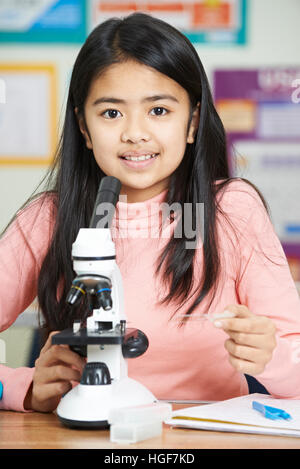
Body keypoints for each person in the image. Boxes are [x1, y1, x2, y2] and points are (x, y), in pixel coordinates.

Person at [1, 12, 300, 414]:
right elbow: (26, 388)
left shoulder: (232, 210)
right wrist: (23, 388)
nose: (135, 133)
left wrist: (272, 356)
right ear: (84, 128)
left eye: (158, 110)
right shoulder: (47, 218)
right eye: (111, 113)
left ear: (192, 122)